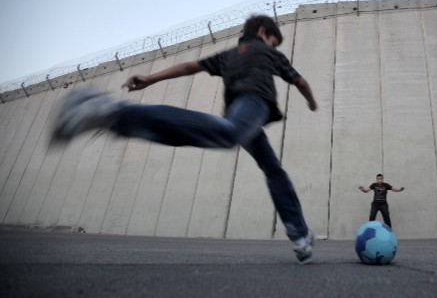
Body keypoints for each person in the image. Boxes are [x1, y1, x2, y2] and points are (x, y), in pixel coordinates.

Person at [52, 15, 318, 264]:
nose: (273, 45)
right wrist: (312, 103)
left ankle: (300, 234)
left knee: (272, 168)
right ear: (263, 32)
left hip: (242, 114)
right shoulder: (269, 52)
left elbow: (192, 66)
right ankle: (112, 112)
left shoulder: (230, 54)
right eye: (274, 40)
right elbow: (301, 82)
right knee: (229, 135)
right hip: (253, 106)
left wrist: (151, 78)